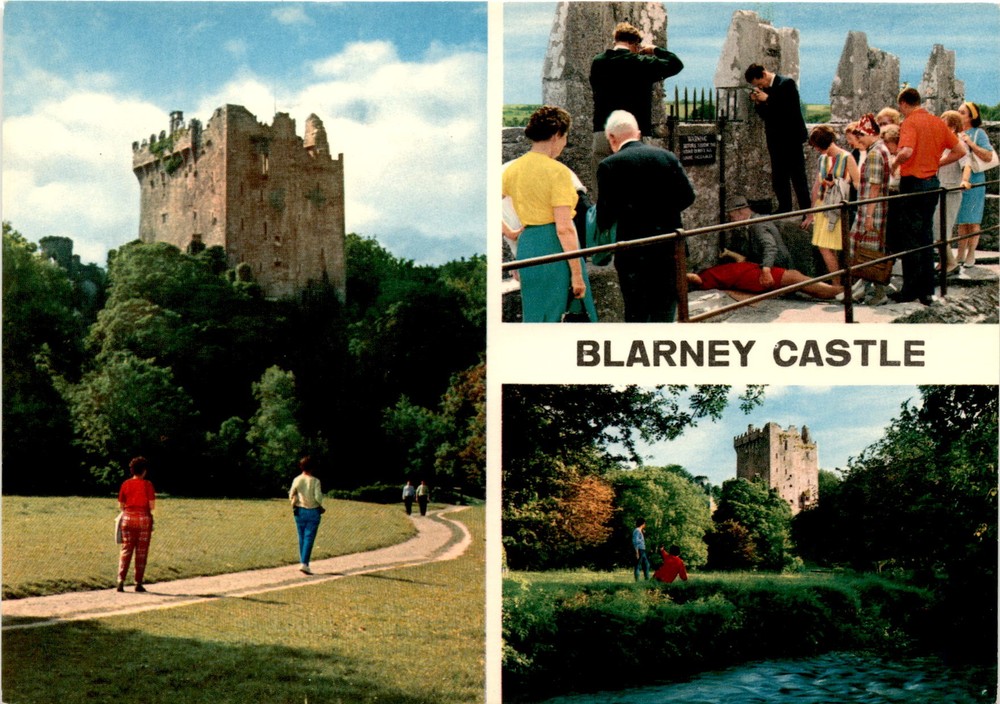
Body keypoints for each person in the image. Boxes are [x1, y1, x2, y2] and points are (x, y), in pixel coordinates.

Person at [596, 110, 695, 322]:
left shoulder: (609, 165)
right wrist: (663, 212)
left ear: (611, 137)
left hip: (634, 252)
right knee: (665, 311)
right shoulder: (667, 157)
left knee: (637, 312)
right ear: (638, 134)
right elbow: (688, 196)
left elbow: (605, 216)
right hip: (669, 247)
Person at [502, 106, 598, 322]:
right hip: (556, 249)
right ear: (556, 136)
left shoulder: (513, 169)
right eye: (565, 137)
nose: (564, 144)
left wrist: (509, 232)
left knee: (536, 317)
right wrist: (577, 274)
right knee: (565, 315)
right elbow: (564, 228)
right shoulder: (558, 172)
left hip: (528, 248)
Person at [890, 87, 966, 304]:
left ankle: (910, 290)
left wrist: (894, 165)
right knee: (925, 236)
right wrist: (937, 163)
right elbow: (960, 150)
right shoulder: (937, 122)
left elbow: (906, 151)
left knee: (910, 238)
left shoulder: (910, 122)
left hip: (913, 183)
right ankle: (927, 290)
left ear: (904, 103)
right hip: (932, 183)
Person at [589, 21, 683, 178]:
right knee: (636, 182)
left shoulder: (598, 62)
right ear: (635, 43)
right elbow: (676, 64)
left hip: (603, 130)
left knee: (603, 180)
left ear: (616, 40)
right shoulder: (642, 63)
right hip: (633, 133)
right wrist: (654, 50)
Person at [745, 63, 811, 214]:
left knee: (798, 176)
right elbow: (766, 115)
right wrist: (758, 102)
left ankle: (806, 211)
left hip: (792, 138)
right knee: (779, 177)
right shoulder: (765, 89)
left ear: (763, 74)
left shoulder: (786, 84)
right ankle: (784, 208)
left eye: (759, 82)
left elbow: (790, 110)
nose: (759, 86)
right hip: (775, 140)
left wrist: (767, 98)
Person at [802, 125, 860, 287]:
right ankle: (839, 284)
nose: (816, 150)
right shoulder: (823, 159)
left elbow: (857, 183)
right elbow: (816, 186)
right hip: (822, 205)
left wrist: (840, 182)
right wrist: (811, 213)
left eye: (816, 146)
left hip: (836, 206)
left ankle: (837, 285)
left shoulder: (846, 157)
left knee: (826, 247)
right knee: (828, 247)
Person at [847, 114, 893, 305]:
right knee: (869, 251)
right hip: (875, 208)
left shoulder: (874, 154)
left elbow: (874, 187)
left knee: (866, 251)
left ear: (871, 134)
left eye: (862, 136)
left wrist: (868, 215)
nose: (859, 140)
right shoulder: (881, 149)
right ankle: (865, 290)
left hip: (871, 209)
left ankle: (879, 293)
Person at [955, 101, 995, 268]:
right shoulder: (955, 132)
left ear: (972, 116)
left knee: (973, 219)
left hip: (975, 180)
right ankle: (960, 252)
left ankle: (971, 253)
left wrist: (970, 144)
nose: (959, 114)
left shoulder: (979, 133)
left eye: (963, 112)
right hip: (959, 178)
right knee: (961, 220)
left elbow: (988, 156)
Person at [934, 110, 973, 276]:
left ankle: (950, 262)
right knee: (937, 227)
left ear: (952, 126)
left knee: (942, 228)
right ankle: (944, 261)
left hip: (951, 191)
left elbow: (967, 164)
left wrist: (964, 180)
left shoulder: (959, 144)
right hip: (940, 190)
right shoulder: (943, 144)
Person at [725, 195, 792, 290]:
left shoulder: (758, 225)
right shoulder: (748, 225)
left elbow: (770, 247)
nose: (731, 221)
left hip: (777, 265)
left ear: (740, 213)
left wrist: (766, 270)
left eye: (732, 217)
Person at [687, 261, 842, 299]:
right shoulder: (705, 279)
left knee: (798, 279)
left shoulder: (710, 273)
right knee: (797, 279)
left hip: (753, 271)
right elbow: (694, 278)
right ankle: (839, 292)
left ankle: (839, 291)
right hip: (755, 276)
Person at [117, 456, 156, 593]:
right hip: (144, 520)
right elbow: (152, 506)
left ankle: (120, 580)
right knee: (141, 552)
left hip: (127, 519)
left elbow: (121, 505)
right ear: (144, 471)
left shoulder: (125, 484)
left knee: (126, 549)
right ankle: (138, 582)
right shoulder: (148, 485)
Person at [289, 456, 324, 574]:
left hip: (299, 510)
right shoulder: (315, 481)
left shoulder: (297, 479)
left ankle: (303, 562)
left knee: (302, 537)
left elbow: (292, 493)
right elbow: (318, 497)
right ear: (312, 468)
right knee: (309, 537)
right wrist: (320, 506)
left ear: (301, 466)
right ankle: (304, 563)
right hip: (313, 510)